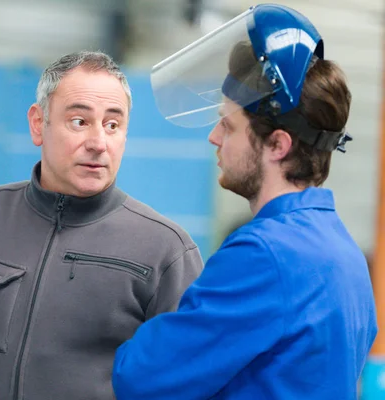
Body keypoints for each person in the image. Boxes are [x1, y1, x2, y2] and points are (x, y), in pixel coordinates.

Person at [112, 4, 377, 400]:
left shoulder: (265, 256)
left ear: (277, 145)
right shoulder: (344, 253)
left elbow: (141, 378)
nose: (214, 138)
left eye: (229, 125)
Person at [0, 51, 204, 400]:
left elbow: (189, 382)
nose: (99, 143)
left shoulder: (165, 251)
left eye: (112, 125)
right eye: (79, 122)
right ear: (38, 124)